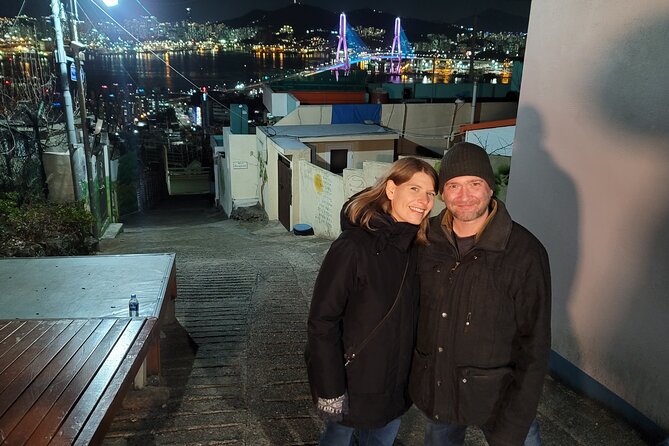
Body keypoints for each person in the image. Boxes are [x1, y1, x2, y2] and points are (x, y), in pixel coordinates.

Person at [409, 142, 551, 446]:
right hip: (440, 389)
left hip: (500, 397)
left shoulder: (524, 252)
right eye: (453, 185)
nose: (464, 196)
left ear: (490, 188)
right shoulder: (425, 239)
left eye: (474, 184)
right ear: (442, 194)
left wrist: (518, 415)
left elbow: (535, 343)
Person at [306, 157, 438, 446]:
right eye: (414, 189)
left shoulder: (418, 248)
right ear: (391, 189)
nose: (424, 200)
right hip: (352, 382)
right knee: (338, 439)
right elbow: (322, 322)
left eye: (430, 193)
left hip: (394, 387)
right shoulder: (353, 246)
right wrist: (331, 389)